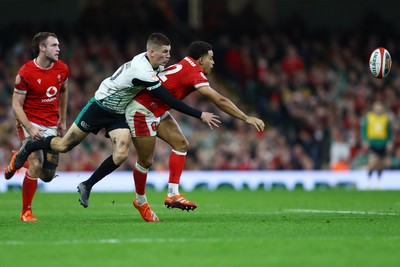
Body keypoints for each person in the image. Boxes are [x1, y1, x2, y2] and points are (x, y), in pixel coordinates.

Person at [5, 33, 220, 221]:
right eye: (164, 52)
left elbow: (172, 76)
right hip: (99, 106)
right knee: (62, 146)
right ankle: (29, 148)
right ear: (151, 52)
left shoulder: (153, 64)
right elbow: (169, 100)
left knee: (121, 153)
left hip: (118, 113)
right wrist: (200, 114)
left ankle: (87, 185)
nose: (168, 56)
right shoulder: (142, 70)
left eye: (170, 51)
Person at [79, 41, 265, 222]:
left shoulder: (185, 65)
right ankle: (140, 201)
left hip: (157, 110)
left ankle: (173, 194)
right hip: (141, 111)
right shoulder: (194, 71)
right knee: (146, 161)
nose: (213, 62)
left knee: (181, 144)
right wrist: (246, 118)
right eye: (211, 58)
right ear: (201, 60)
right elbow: (219, 100)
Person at [3, 32, 69, 222]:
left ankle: (19, 157)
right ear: (42, 48)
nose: (58, 49)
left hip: (51, 124)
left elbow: (64, 90)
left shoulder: (62, 69)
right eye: (54, 45)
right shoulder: (25, 72)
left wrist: (62, 120)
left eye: (58, 45)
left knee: (47, 175)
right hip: (30, 123)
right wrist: (30, 128)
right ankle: (26, 212)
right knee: (37, 164)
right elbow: (16, 105)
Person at [360, 100, 393, 181]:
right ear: (374, 107)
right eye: (377, 106)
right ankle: (369, 178)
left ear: (382, 108)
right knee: (372, 163)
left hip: (382, 143)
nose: (378, 108)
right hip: (372, 143)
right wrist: (364, 140)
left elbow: (389, 131)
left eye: (380, 106)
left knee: (379, 165)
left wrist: (389, 141)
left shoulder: (386, 118)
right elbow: (364, 129)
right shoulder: (369, 117)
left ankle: (379, 180)